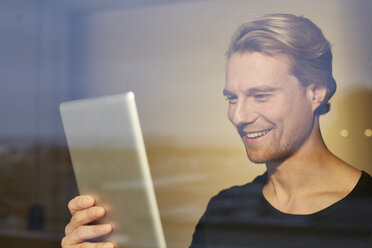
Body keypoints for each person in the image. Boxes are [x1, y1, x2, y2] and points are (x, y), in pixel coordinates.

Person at [61, 14, 372, 248]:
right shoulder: (224, 210)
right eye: (232, 98)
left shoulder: (365, 215)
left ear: (316, 91)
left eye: (261, 95)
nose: (238, 115)